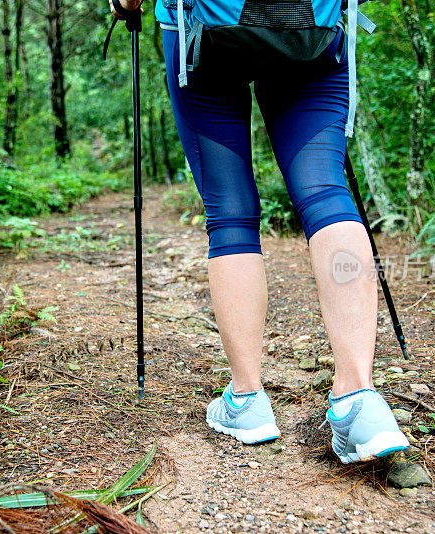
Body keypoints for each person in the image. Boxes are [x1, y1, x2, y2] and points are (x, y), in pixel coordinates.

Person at [109, 0, 409, 463]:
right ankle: (360, 400)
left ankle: (247, 400)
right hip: (313, 31)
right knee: (327, 192)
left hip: (205, 39)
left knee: (230, 213)